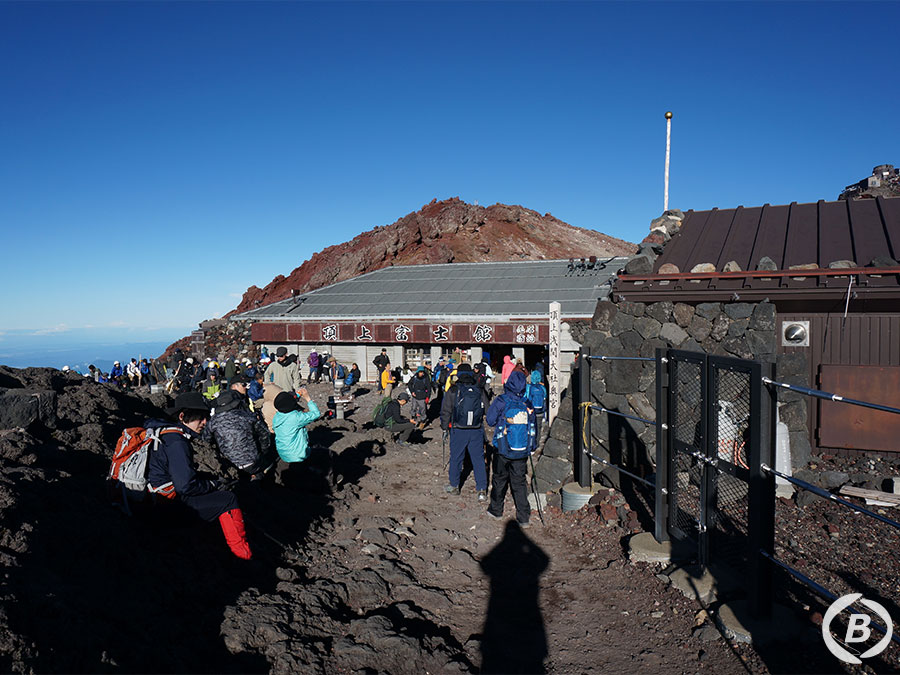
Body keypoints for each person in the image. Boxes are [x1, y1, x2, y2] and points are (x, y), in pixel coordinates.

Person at [145, 392, 252, 559]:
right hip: (167, 508)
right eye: (200, 417)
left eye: (205, 417)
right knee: (228, 500)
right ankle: (242, 556)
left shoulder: (162, 433)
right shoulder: (177, 442)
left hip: (153, 500)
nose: (205, 422)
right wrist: (213, 485)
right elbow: (185, 486)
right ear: (182, 416)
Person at [485, 370, 535, 527]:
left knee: (499, 480)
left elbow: (491, 420)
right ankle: (523, 517)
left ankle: (496, 510)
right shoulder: (527, 403)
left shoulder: (502, 400)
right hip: (521, 450)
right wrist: (531, 446)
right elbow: (534, 426)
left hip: (502, 448)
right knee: (519, 483)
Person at [440, 363, 489, 501]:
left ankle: (454, 486)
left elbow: (446, 411)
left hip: (458, 429)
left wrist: (445, 428)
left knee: (456, 458)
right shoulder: (479, 390)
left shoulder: (454, 390)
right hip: (476, 429)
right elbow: (487, 409)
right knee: (478, 460)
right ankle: (481, 490)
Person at [205, 389, 274, 480]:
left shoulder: (212, 422)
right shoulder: (248, 416)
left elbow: (206, 441)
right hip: (253, 462)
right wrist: (263, 452)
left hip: (229, 465)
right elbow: (265, 435)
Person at [272, 388, 321, 469]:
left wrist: (298, 394)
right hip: (298, 456)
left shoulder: (277, 416)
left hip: (283, 454)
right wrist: (307, 398)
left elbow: (288, 401)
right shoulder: (296, 417)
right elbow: (316, 414)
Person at [526, 370, 547, 442]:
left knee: (531, 426)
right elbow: (545, 397)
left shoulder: (529, 387)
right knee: (538, 426)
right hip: (540, 410)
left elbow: (527, 397)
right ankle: (537, 442)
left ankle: (531, 443)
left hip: (531, 410)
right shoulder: (542, 388)